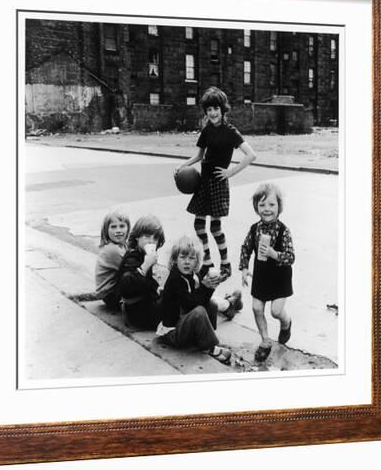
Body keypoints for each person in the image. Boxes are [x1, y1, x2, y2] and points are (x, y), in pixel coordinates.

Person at [176, 87, 256, 282]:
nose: (212, 113)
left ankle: (226, 263)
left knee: (215, 228)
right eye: (209, 109)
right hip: (204, 182)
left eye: (215, 108)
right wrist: (181, 167)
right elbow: (198, 156)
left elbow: (251, 155)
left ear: (223, 109)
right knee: (198, 224)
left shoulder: (231, 132)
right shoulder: (206, 131)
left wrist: (230, 172)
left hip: (219, 184)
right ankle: (208, 261)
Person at [157, 236, 238, 364]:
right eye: (182, 257)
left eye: (191, 258)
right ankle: (209, 347)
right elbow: (190, 305)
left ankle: (207, 337)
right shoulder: (175, 279)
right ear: (174, 260)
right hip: (172, 333)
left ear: (197, 262)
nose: (187, 262)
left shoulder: (191, 276)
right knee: (199, 312)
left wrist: (211, 286)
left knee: (211, 304)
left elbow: (201, 299)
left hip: (183, 324)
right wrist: (205, 287)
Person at [239, 183, 295, 362]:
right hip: (261, 275)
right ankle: (265, 341)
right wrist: (245, 268)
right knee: (256, 307)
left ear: (279, 207)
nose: (267, 209)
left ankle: (286, 323)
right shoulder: (255, 229)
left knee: (276, 311)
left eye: (271, 204)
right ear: (256, 207)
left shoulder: (284, 231)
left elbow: (291, 257)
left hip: (280, 276)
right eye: (262, 205)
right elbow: (246, 248)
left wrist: (273, 253)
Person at [116, 215, 165, 330]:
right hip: (138, 312)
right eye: (147, 236)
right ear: (137, 237)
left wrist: (157, 287)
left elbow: (146, 282)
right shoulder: (132, 257)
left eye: (155, 238)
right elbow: (125, 285)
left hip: (144, 306)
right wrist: (145, 266)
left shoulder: (142, 255)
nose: (151, 241)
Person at [95, 210, 131, 310]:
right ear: (106, 230)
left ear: (128, 228)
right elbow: (131, 268)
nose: (118, 230)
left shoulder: (123, 245)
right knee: (134, 278)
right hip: (110, 295)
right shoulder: (112, 250)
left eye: (122, 226)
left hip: (111, 290)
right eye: (113, 227)